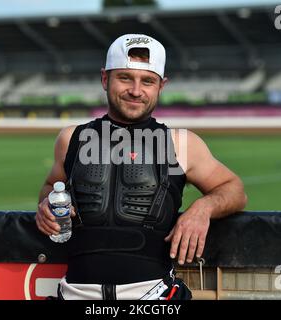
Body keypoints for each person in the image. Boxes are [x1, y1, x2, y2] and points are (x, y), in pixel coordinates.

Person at [35, 34, 247, 300]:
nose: (136, 90)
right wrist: (45, 206)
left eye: (147, 81)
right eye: (125, 78)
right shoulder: (71, 139)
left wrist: (203, 209)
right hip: (75, 294)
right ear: (105, 78)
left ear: (161, 86)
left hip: (152, 296)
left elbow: (234, 189)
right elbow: (49, 187)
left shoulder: (181, 143)